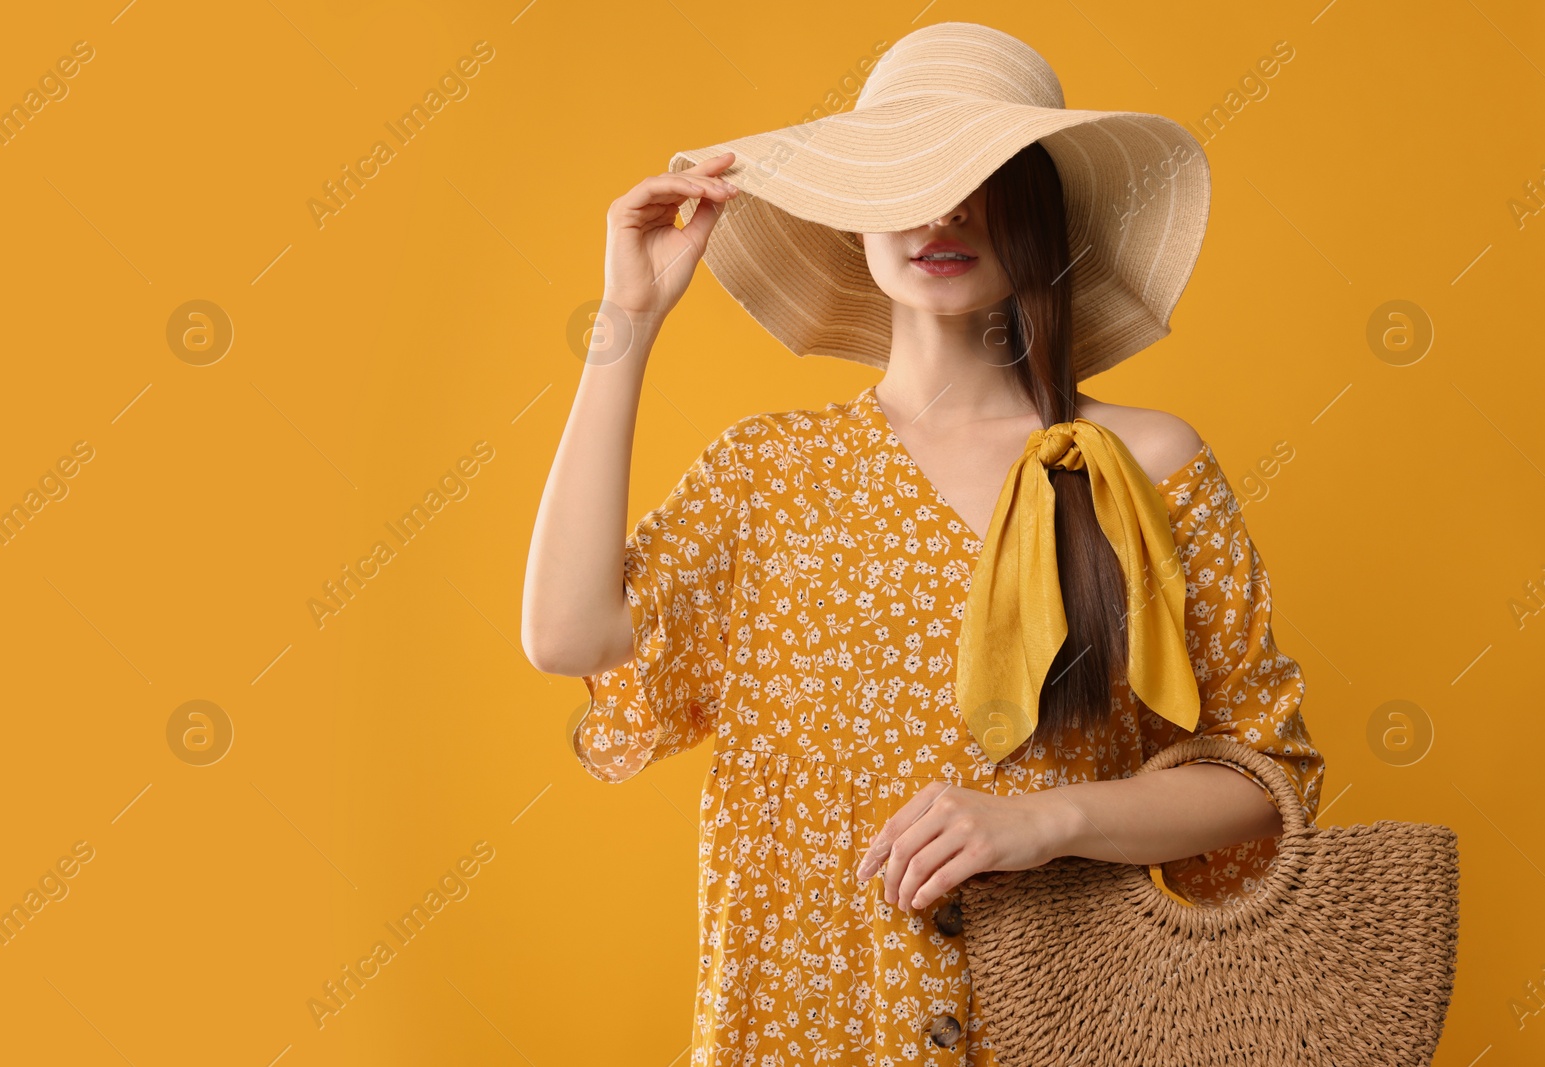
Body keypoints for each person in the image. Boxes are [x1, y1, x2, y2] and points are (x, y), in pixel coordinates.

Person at [522, 21, 1324, 1066]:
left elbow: (1265, 782)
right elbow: (567, 635)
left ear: (1040, 210)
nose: (942, 210)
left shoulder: (1141, 461)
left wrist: (1041, 820)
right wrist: (625, 321)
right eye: (904, 175)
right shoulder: (768, 473)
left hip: (1067, 1024)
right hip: (814, 1026)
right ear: (853, 219)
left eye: (982, 175)